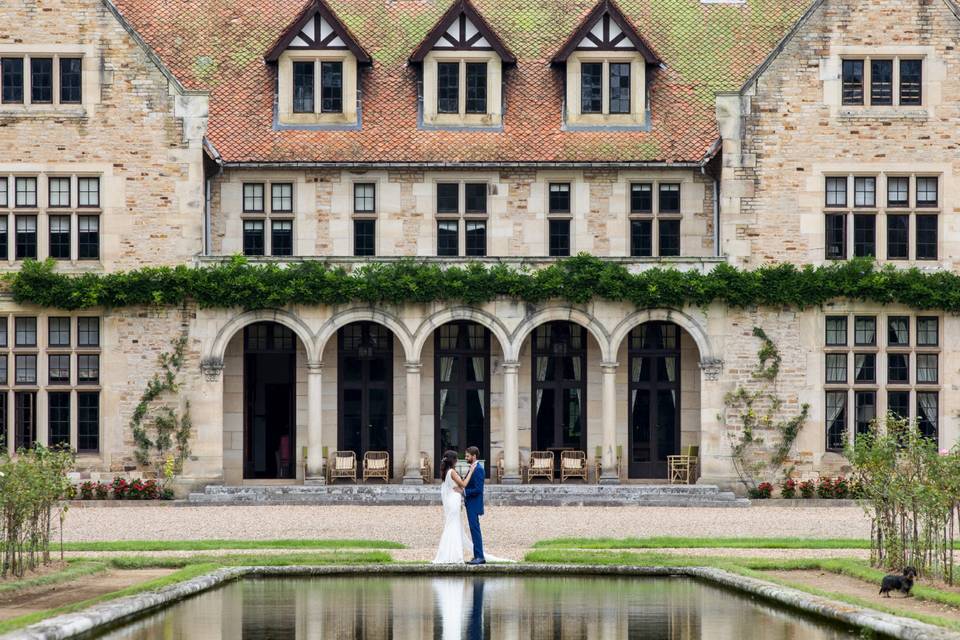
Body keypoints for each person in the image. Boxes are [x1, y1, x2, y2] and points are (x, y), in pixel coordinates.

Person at [432, 450, 477, 564]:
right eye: (456, 459)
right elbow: (464, 484)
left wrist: (461, 490)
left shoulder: (446, 472)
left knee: (452, 525)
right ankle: (455, 556)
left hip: (453, 501)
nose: (457, 461)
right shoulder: (451, 471)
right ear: (453, 460)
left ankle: (451, 554)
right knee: (454, 526)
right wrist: (471, 471)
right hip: (454, 502)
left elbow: (456, 486)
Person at [463, 446, 485, 565]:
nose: (466, 458)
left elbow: (478, 489)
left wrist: (464, 492)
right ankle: (477, 555)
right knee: (473, 529)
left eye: (467, 456)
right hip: (470, 503)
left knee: (475, 529)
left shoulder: (479, 469)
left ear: (474, 456)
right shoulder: (473, 468)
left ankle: (480, 556)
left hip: (474, 504)